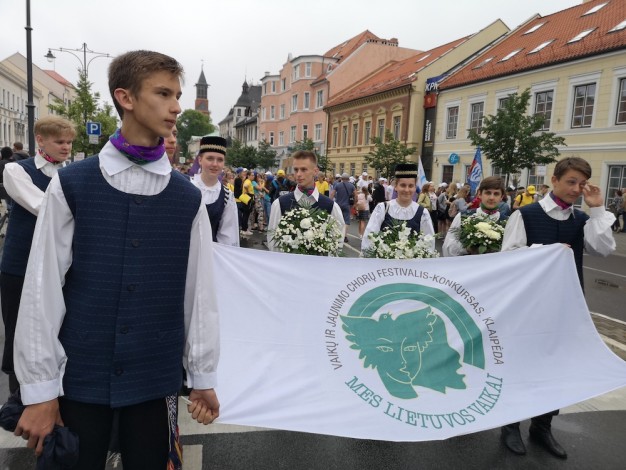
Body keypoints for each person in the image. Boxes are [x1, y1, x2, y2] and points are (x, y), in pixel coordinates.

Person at [13, 50, 220, 470]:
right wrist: (39, 390)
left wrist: (202, 375)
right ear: (125, 98)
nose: (176, 107)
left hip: (154, 377)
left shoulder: (188, 198)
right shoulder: (72, 184)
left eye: (178, 95)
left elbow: (199, 294)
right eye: (163, 93)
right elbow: (42, 288)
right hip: (81, 375)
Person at [499, 156, 615, 460]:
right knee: (520, 363)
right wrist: (547, 252)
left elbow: (603, 249)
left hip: (565, 304)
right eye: (571, 182)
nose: (576, 189)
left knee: (555, 367)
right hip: (528, 305)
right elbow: (509, 257)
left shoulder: (582, 219)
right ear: (554, 180)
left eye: (582, 183)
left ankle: (542, 426)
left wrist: (598, 209)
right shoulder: (525, 215)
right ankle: (510, 425)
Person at [1, 116, 76, 397]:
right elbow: (44, 206)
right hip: (21, 266)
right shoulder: (16, 170)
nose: (66, 147)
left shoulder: (70, 174)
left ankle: (55, 394)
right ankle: (18, 401)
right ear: (40, 140)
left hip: (60, 267)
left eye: (69, 142)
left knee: (57, 331)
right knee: (19, 332)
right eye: (60, 142)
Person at [267, 151, 344, 252]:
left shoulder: (331, 206)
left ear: (315, 171)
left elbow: (337, 242)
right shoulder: (280, 204)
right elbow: (273, 243)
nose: (298, 174)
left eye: (304, 169)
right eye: (296, 170)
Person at [361, 163, 435, 253]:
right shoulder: (383, 208)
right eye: (403, 185)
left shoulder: (422, 213)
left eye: (411, 186)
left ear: (415, 187)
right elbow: (369, 238)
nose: (407, 190)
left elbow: (429, 243)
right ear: (396, 186)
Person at [191, 136, 239, 245]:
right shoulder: (187, 187)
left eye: (220, 160)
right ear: (200, 160)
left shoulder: (227, 195)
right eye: (210, 158)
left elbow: (227, 237)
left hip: (212, 253)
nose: (215, 164)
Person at [442, 176, 508, 257]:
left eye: (496, 194)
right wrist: (467, 248)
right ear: (479, 194)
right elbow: (447, 247)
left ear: (501, 197)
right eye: (488, 193)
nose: (491, 198)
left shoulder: (507, 222)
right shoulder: (463, 216)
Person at [330, 172, 357, 243]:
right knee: (346, 221)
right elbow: (356, 195)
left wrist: (330, 202)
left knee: (337, 219)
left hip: (338, 205)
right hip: (347, 205)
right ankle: (345, 236)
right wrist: (355, 203)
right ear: (348, 179)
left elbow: (332, 194)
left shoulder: (338, 185)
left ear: (341, 178)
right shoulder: (351, 186)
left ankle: (336, 234)